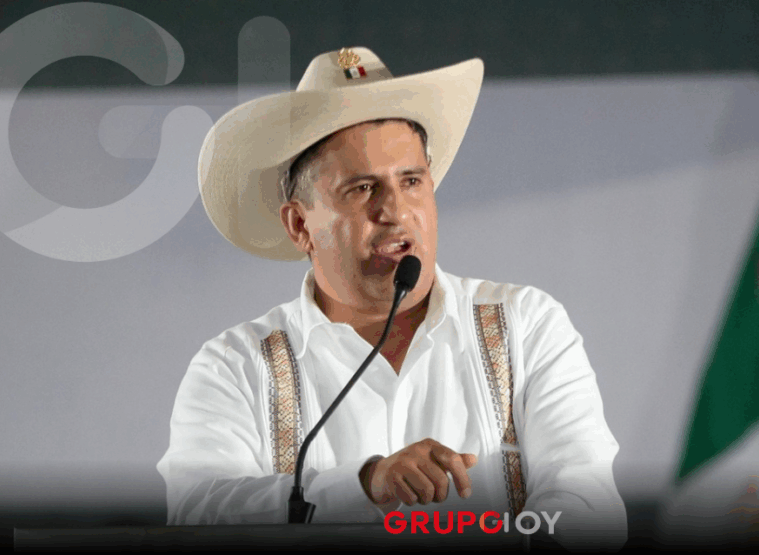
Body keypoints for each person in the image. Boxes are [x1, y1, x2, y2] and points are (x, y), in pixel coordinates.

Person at [157, 47, 627, 551]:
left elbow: (589, 510)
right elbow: (198, 517)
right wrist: (364, 486)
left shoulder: (525, 325)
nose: (397, 211)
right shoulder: (235, 366)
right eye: (363, 188)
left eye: (412, 181)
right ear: (299, 225)